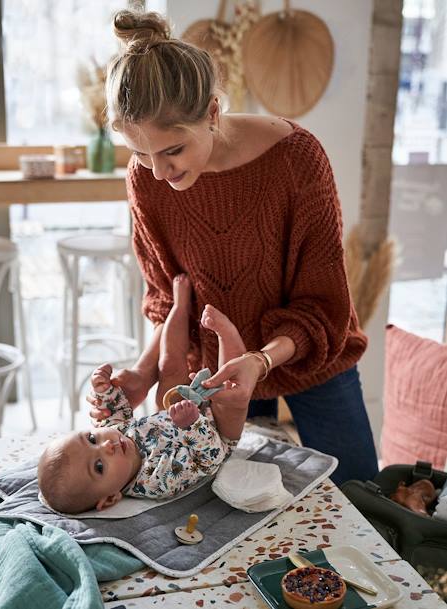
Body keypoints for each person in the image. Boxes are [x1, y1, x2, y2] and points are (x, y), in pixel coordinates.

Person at [88, 9, 379, 487]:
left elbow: (323, 305)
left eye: (172, 151)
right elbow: (169, 297)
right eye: (139, 153)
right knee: (229, 514)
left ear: (213, 112)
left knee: (360, 496)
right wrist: (142, 374)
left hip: (311, 356)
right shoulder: (146, 179)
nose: (157, 172)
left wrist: (260, 360)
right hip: (216, 375)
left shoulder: (296, 160)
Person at [38, 275, 249, 514]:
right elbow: (208, 461)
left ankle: (179, 307)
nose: (106, 445)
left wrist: (104, 390)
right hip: (216, 434)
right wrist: (191, 425)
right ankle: (226, 333)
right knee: (231, 398)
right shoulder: (156, 481)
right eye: (99, 466)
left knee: (168, 365)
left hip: (172, 411)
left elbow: (115, 412)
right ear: (110, 499)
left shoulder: (116, 434)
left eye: (91, 439)